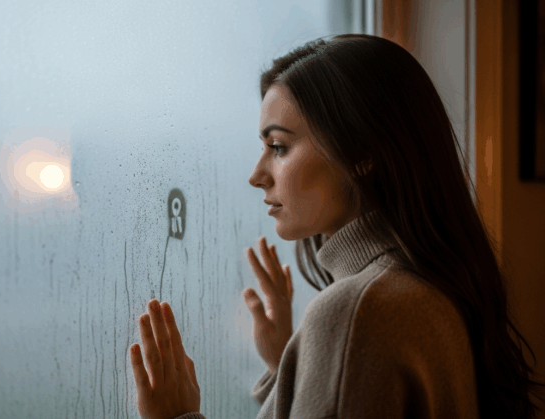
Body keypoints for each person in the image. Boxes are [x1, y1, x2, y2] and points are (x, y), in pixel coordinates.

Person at [127, 34, 545, 419]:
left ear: (360, 151)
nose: (257, 175)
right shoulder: (426, 283)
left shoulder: (360, 309)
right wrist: (295, 363)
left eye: (278, 147)